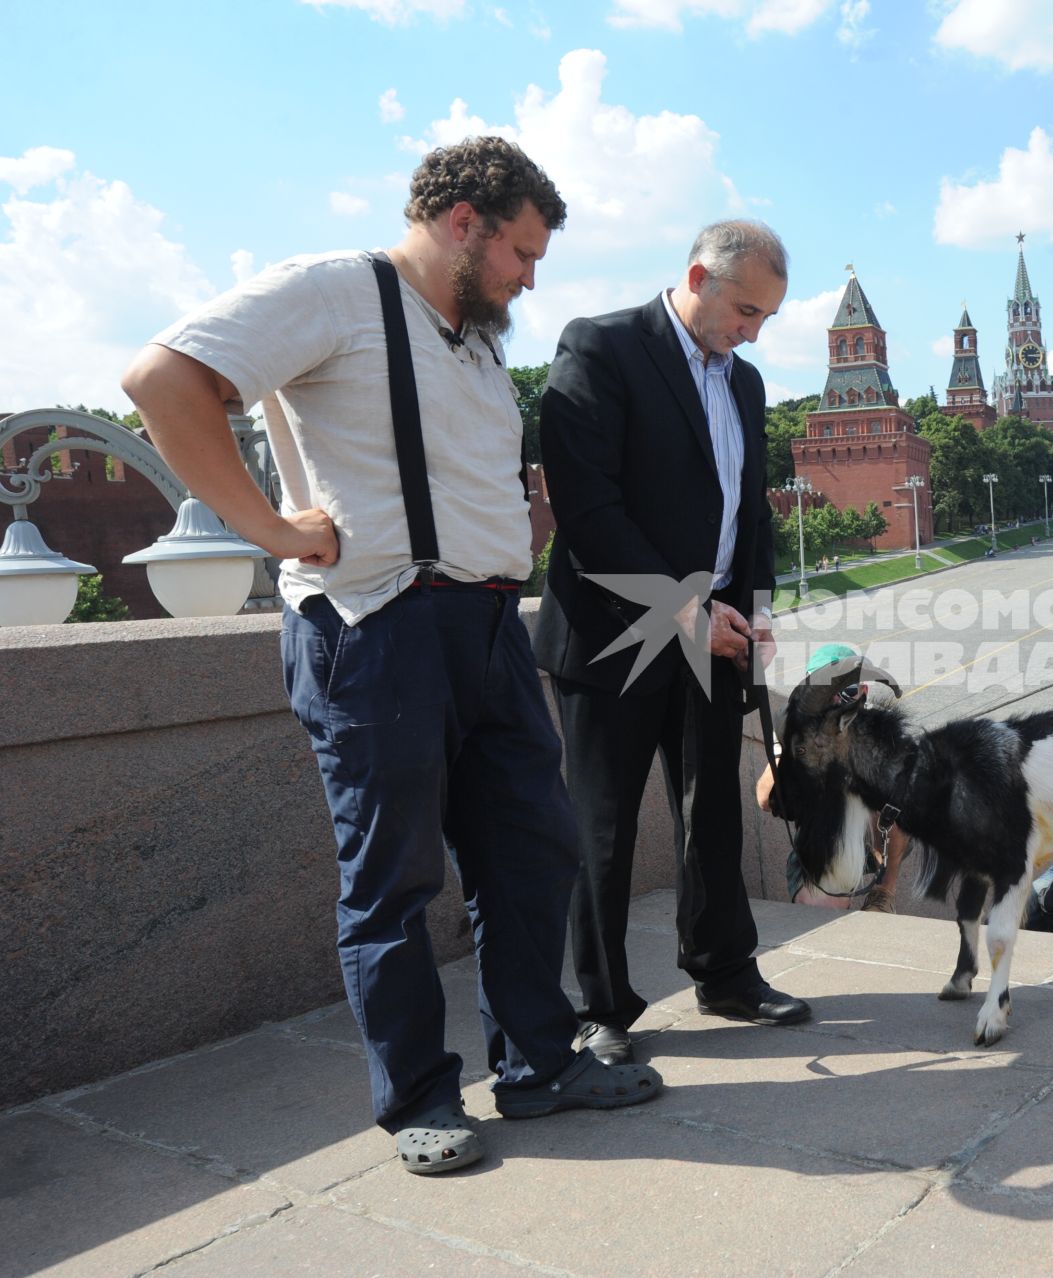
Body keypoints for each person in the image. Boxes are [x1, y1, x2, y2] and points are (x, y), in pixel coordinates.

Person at [120, 138, 661, 1176]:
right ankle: (419, 1096)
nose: (528, 277)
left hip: (489, 629)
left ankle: (538, 1065)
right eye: (520, 252)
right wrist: (273, 532)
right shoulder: (334, 291)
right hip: (377, 630)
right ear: (464, 221)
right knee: (393, 878)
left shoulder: (472, 335)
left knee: (530, 850)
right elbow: (161, 378)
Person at [535, 220, 810, 1068]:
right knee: (604, 829)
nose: (754, 332)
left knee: (713, 816)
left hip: (714, 635)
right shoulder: (601, 347)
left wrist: (754, 610)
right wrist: (684, 607)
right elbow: (588, 510)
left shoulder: (746, 382)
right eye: (745, 310)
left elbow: (748, 513)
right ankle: (604, 1008)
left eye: (766, 317)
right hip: (614, 636)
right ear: (698, 275)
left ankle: (725, 972)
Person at [754, 643, 911, 912]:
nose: (835, 700)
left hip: (869, 836)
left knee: (897, 801)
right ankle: (833, 889)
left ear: (863, 692)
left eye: (846, 692)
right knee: (819, 911)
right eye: (825, 694)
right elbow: (764, 799)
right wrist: (790, 751)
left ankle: (884, 892)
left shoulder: (878, 726)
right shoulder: (797, 728)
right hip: (824, 840)